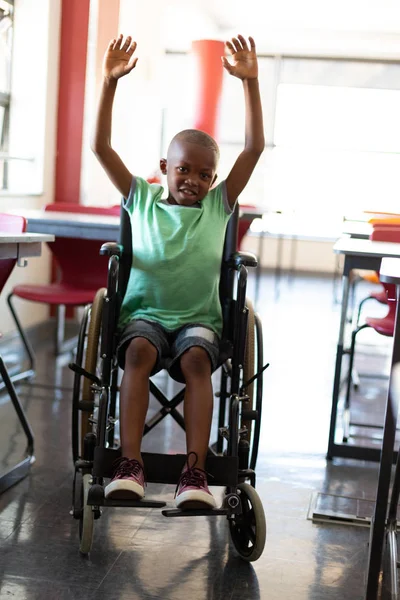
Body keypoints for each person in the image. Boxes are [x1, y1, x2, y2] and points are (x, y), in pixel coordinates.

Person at [91, 33, 264, 509]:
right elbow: (100, 146)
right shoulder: (140, 198)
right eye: (185, 170)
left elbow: (254, 148)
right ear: (165, 166)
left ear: (214, 179)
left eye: (205, 175)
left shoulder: (218, 206)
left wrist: (250, 84)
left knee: (195, 362)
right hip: (144, 316)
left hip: (198, 322)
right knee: (139, 352)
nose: (194, 181)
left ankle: (195, 471)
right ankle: (130, 465)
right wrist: (108, 83)